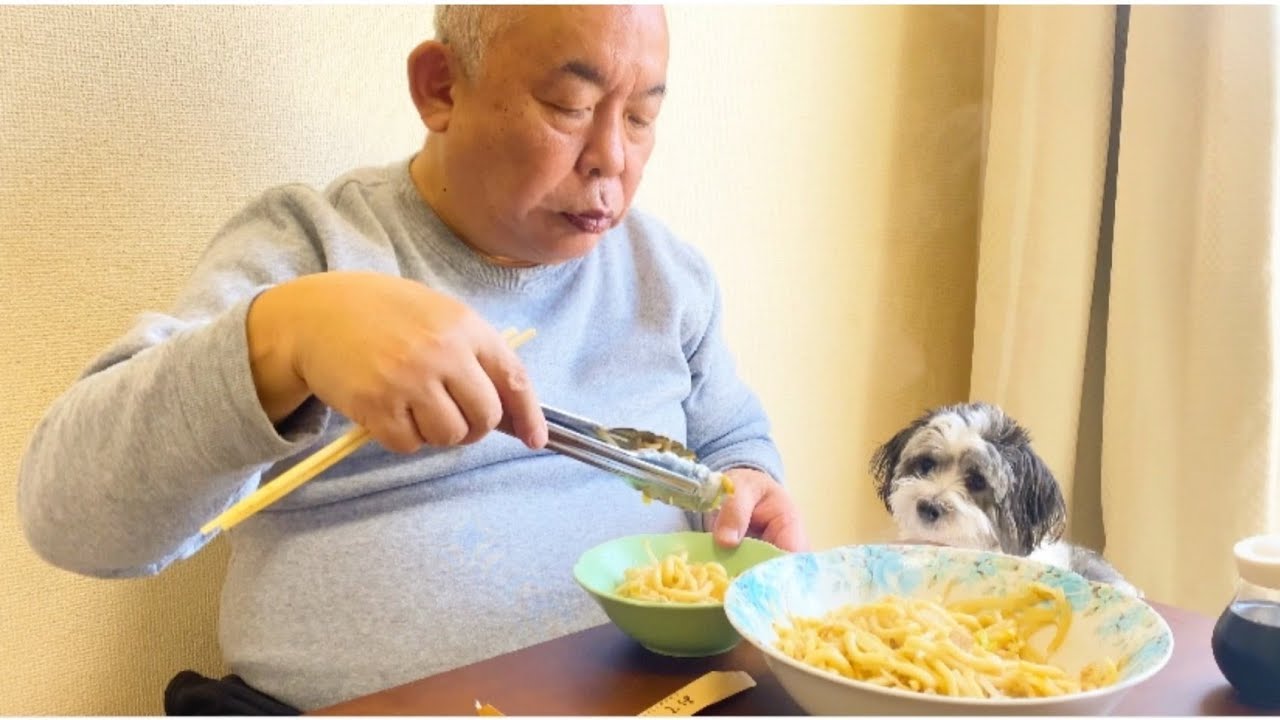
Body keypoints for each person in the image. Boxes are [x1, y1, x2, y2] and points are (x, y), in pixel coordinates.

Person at [16, 4, 808, 712]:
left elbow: (732, 439)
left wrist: (750, 485)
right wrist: (284, 335)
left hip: (662, 691)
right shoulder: (314, 245)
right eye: (570, 106)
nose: (611, 158)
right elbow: (71, 521)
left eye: (640, 118)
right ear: (441, 88)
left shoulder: (666, 274)